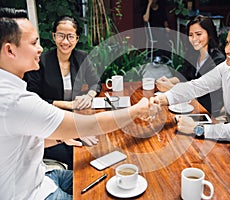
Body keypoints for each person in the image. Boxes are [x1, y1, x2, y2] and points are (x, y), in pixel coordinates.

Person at [0, 8, 150, 200]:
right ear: (10, 50)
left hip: (43, 177)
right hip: (31, 194)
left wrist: (64, 135)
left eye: (70, 36)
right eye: (34, 42)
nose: (40, 48)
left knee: (104, 178)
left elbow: (26, 139)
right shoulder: (15, 100)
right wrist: (137, 109)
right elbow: (89, 125)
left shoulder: (12, 90)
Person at [151, 14, 230, 141]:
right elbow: (196, 86)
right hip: (229, 138)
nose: (227, 50)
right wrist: (162, 99)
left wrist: (197, 129)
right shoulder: (226, 68)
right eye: (227, 43)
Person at [24, 15, 101, 170]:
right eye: (60, 35)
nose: (65, 42)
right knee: (79, 152)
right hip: (47, 120)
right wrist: (68, 104)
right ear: (53, 36)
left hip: (74, 116)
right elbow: (33, 98)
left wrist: (89, 95)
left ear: (77, 38)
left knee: (97, 144)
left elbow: (96, 83)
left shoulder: (82, 57)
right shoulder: (41, 61)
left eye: (70, 36)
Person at [156, 15, 225, 116]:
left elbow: (202, 91)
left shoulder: (218, 60)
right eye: (191, 35)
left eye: (198, 34)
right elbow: (182, 76)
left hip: (206, 109)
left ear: (209, 34)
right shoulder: (193, 53)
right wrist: (167, 81)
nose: (194, 39)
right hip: (189, 104)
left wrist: (171, 88)